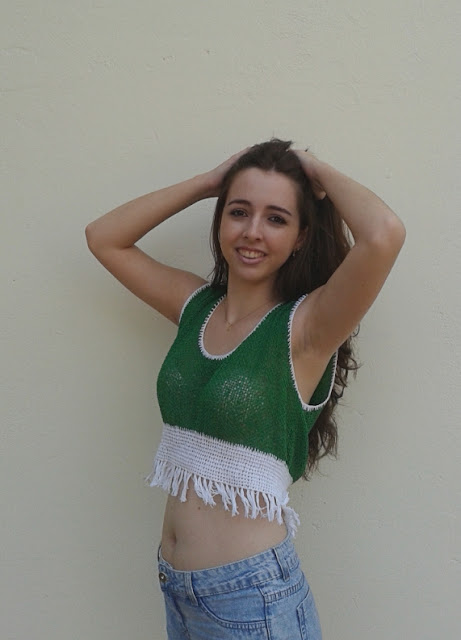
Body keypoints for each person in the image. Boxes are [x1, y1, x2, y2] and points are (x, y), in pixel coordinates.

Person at [85, 139, 406, 639]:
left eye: (276, 218)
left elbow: (384, 234)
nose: (252, 231)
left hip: (252, 600)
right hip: (178, 592)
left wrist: (314, 169)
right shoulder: (195, 306)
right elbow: (104, 238)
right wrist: (207, 184)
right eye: (238, 212)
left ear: (300, 237)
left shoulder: (306, 329)